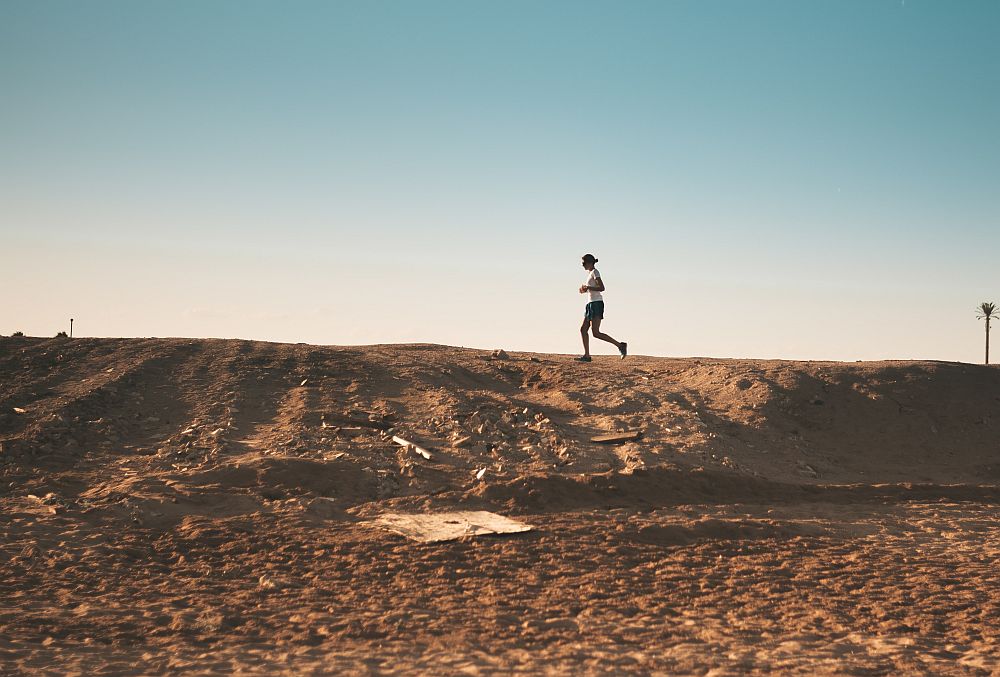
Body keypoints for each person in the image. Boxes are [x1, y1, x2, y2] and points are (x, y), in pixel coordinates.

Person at [576, 253, 627, 362]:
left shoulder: (595, 272)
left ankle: (620, 345)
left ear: (590, 263)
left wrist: (588, 287)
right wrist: (585, 290)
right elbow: (593, 288)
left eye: (584, 263)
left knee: (596, 332)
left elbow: (602, 287)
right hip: (590, 304)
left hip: (596, 304)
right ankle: (587, 356)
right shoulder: (590, 273)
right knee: (583, 329)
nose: (582, 265)